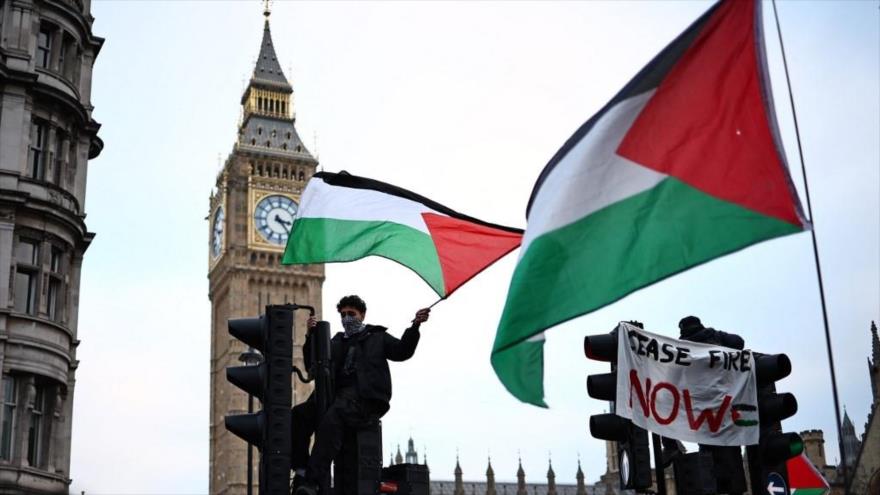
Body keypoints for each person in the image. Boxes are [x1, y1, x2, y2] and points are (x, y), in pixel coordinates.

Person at [291, 295, 430, 495]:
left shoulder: (377, 337)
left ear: (362, 315)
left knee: (334, 417)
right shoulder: (336, 341)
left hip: (365, 399)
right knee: (300, 414)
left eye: (351, 314)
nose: (347, 318)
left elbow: (403, 351)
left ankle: (312, 481)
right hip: (336, 395)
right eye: (343, 314)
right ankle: (301, 470)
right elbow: (313, 366)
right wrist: (310, 335)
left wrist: (415, 325)